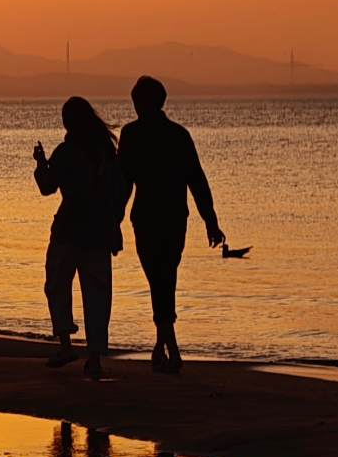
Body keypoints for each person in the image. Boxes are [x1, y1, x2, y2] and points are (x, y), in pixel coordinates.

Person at [117, 74, 224, 372]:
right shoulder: (178, 135)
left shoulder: (132, 134)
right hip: (176, 218)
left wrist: (115, 218)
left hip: (148, 219)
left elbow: (123, 183)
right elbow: (197, 181)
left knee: (159, 281)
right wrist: (210, 221)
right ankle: (161, 347)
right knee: (165, 280)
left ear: (142, 102)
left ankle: (171, 351)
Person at [32, 96, 124, 380]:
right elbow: (118, 193)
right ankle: (94, 359)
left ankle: (66, 345)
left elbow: (47, 188)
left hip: (68, 230)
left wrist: (40, 164)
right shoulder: (106, 153)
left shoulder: (65, 152)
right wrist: (114, 226)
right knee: (97, 296)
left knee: (57, 286)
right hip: (98, 233)